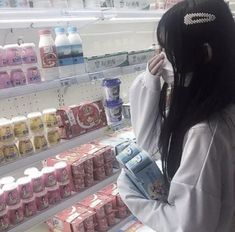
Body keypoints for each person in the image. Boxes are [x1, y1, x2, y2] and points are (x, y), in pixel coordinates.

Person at [117, 0, 235, 231]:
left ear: (205, 54)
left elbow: (188, 226)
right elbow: (151, 142)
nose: (161, 60)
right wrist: (149, 84)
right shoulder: (223, 105)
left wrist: (132, 194)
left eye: (167, 51)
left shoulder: (204, 131)